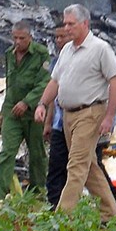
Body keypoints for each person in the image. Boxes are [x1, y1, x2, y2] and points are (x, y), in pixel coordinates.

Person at [34, 4, 116, 223]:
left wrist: (109, 116)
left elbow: (115, 81)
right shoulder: (66, 50)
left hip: (90, 113)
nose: (67, 27)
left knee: (76, 166)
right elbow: (55, 81)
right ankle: (111, 214)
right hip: (68, 116)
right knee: (88, 167)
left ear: (85, 24)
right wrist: (43, 103)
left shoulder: (100, 48)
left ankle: (61, 218)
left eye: (71, 24)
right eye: (65, 23)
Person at [0, 21, 51, 199]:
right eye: (15, 38)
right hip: (12, 110)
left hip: (33, 112)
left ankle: (37, 193)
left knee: (37, 153)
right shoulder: (9, 55)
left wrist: (27, 102)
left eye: (22, 38)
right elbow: (9, 83)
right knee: (7, 151)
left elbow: (45, 82)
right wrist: (5, 111)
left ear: (30, 37)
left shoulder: (41, 54)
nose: (18, 42)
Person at [44, 25, 70, 207]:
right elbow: (53, 96)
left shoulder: (82, 58)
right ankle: (54, 203)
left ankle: (115, 201)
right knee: (55, 165)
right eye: (57, 37)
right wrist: (48, 123)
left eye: (62, 37)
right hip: (59, 123)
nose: (59, 40)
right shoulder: (55, 63)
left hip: (78, 122)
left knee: (88, 167)